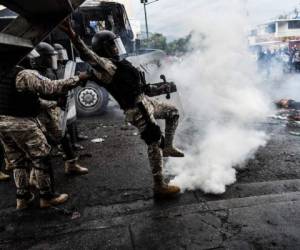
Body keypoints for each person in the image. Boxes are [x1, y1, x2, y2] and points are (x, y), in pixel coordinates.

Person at [61, 20, 184, 197]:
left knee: (173, 112)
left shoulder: (117, 63)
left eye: (115, 43)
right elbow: (87, 54)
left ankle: (169, 146)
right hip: (136, 109)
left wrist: (160, 88)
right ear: (103, 48)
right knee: (153, 140)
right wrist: (73, 36)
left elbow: (138, 86)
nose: (116, 47)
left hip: (145, 101)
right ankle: (159, 185)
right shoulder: (105, 66)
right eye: (112, 45)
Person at [0, 48, 91, 209]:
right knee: (41, 159)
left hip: (3, 124)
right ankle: (47, 197)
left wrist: (54, 104)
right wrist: (78, 78)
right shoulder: (23, 75)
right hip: (23, 124)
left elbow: (30, 101)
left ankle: (22, 198)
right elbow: (52, 87)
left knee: (18, 162)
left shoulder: (4, 74)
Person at [34, 42, 88, 176]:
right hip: (37, 113)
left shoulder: (48, 71)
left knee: (62, 136)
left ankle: (71, 164)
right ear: (40, 58)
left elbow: (56, 87)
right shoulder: (32, 75)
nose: (53, 60)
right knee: (39, 145)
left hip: (50, 111)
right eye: (49, 57)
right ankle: (35, 177)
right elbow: (45, 92)